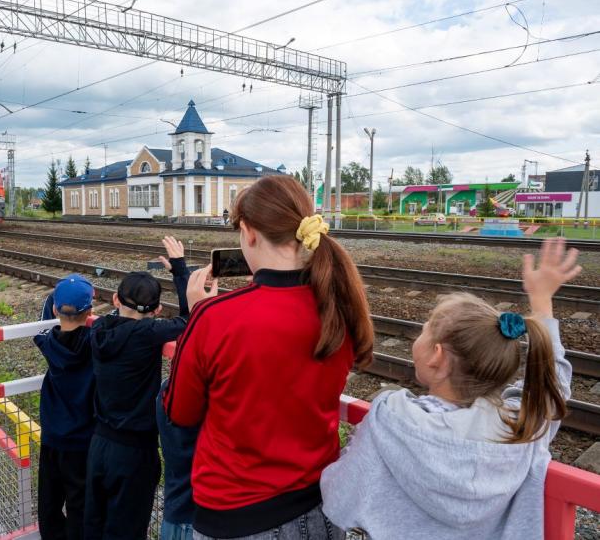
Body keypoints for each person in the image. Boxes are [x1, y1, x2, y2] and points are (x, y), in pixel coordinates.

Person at [320, 237, 580, 540]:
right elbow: (553, 385)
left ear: (437, 357)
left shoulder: (391, 419)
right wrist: (542, 302)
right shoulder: (522, 428)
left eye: (424, 330)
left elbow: (339, 497)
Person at [164, 175, 374, 539]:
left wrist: (198, 314)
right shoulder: (337, 306)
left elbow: (179, 412)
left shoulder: (215, 317)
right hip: (322, 507)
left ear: (248, 232)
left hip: (236, 516)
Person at [84, 254, 190, 539]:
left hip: (98, 444)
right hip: (134, 452)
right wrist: (180, 270)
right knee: (128, 530)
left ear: (116, 299)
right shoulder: (149, 333)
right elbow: (189, 318)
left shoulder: (99, 329)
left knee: (94, 523)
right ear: (156, 310)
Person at [33, 274, 96, 540]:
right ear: (90, 311)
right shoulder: (96, 343)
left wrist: (53, 301)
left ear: (56, 310)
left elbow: (40, 327)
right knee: (79, 503)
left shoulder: (48, 343)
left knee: (49, 501)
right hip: (83, 440)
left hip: (52, 437)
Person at [156, 237, 200, 540]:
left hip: (176, 513)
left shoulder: (164, 398)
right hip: (204, 515)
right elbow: (192, 323)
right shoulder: (213, 410)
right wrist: (181, 271)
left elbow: (191, 328)